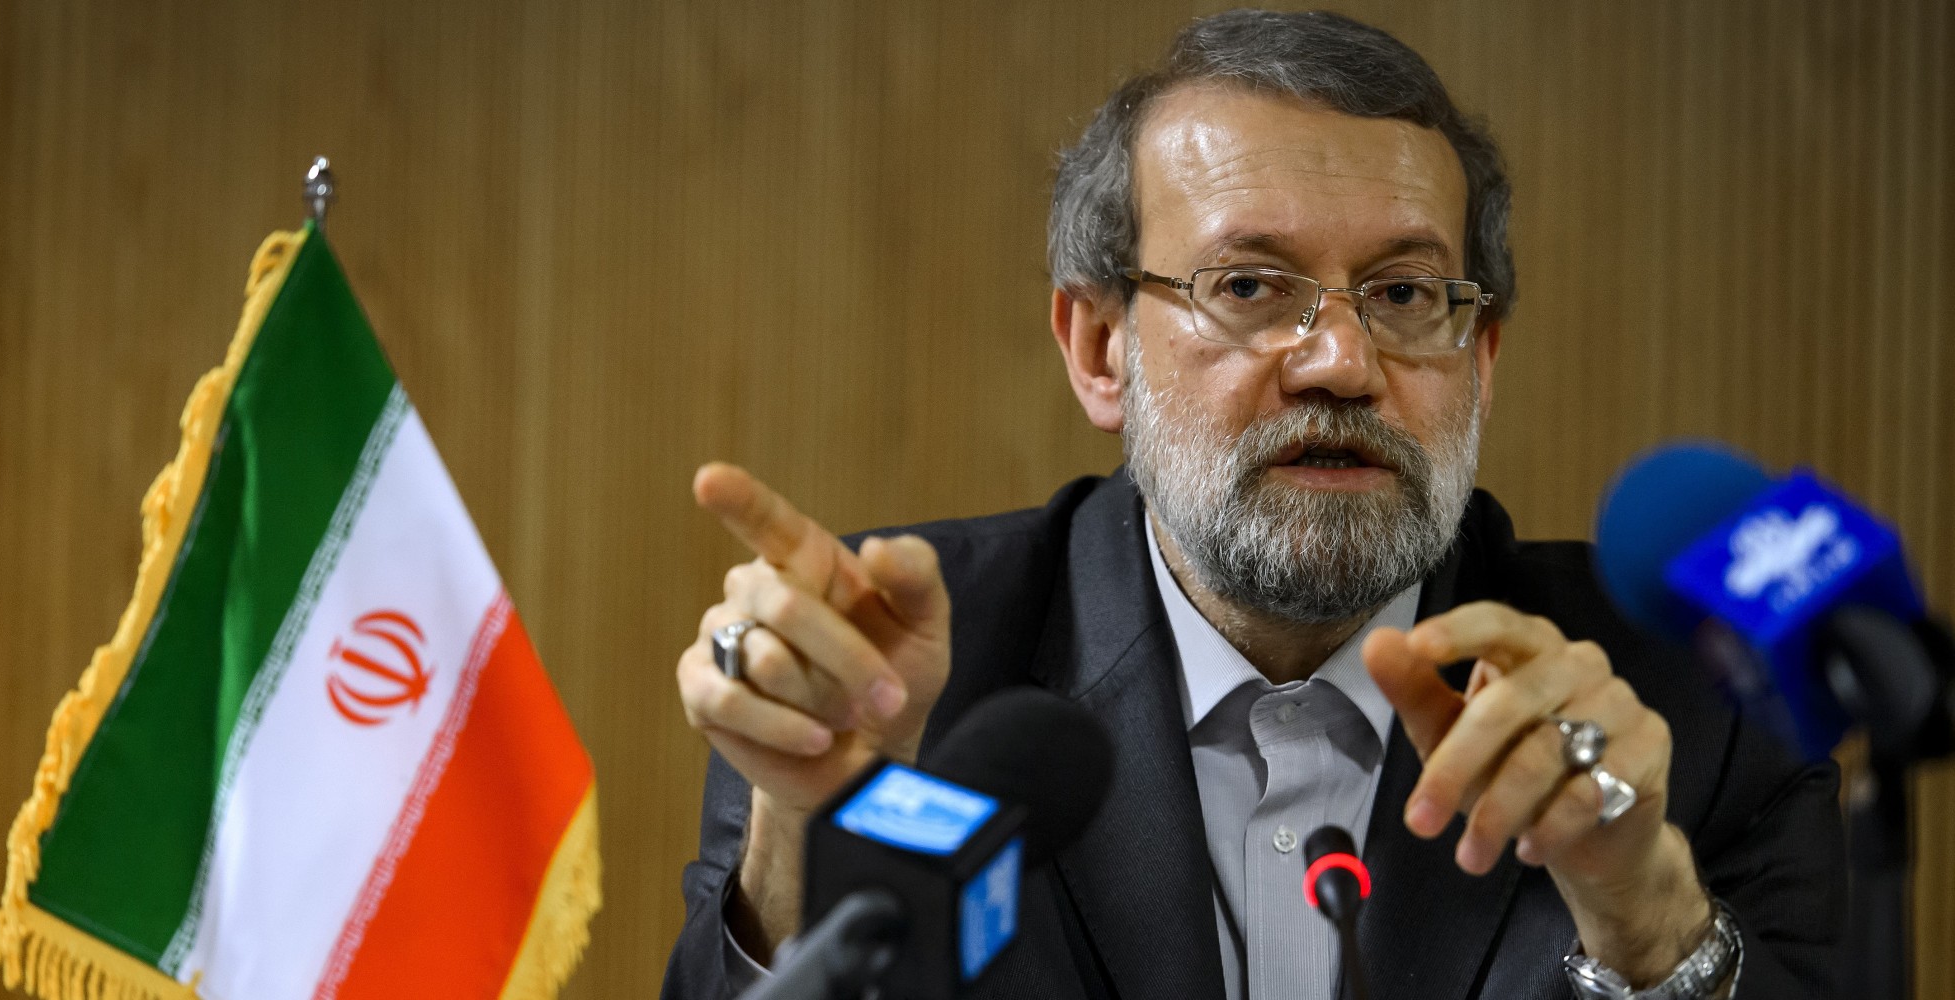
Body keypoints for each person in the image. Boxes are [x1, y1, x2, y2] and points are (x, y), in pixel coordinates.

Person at [661, 10, 1842, 999]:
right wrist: (805, 838)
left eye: (1402, 293)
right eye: (1247, 285)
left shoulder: (1701, 697)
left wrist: (1643, 914)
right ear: (1099, 348)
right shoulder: (885, 670)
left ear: (1478, 358)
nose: (1340, 362)